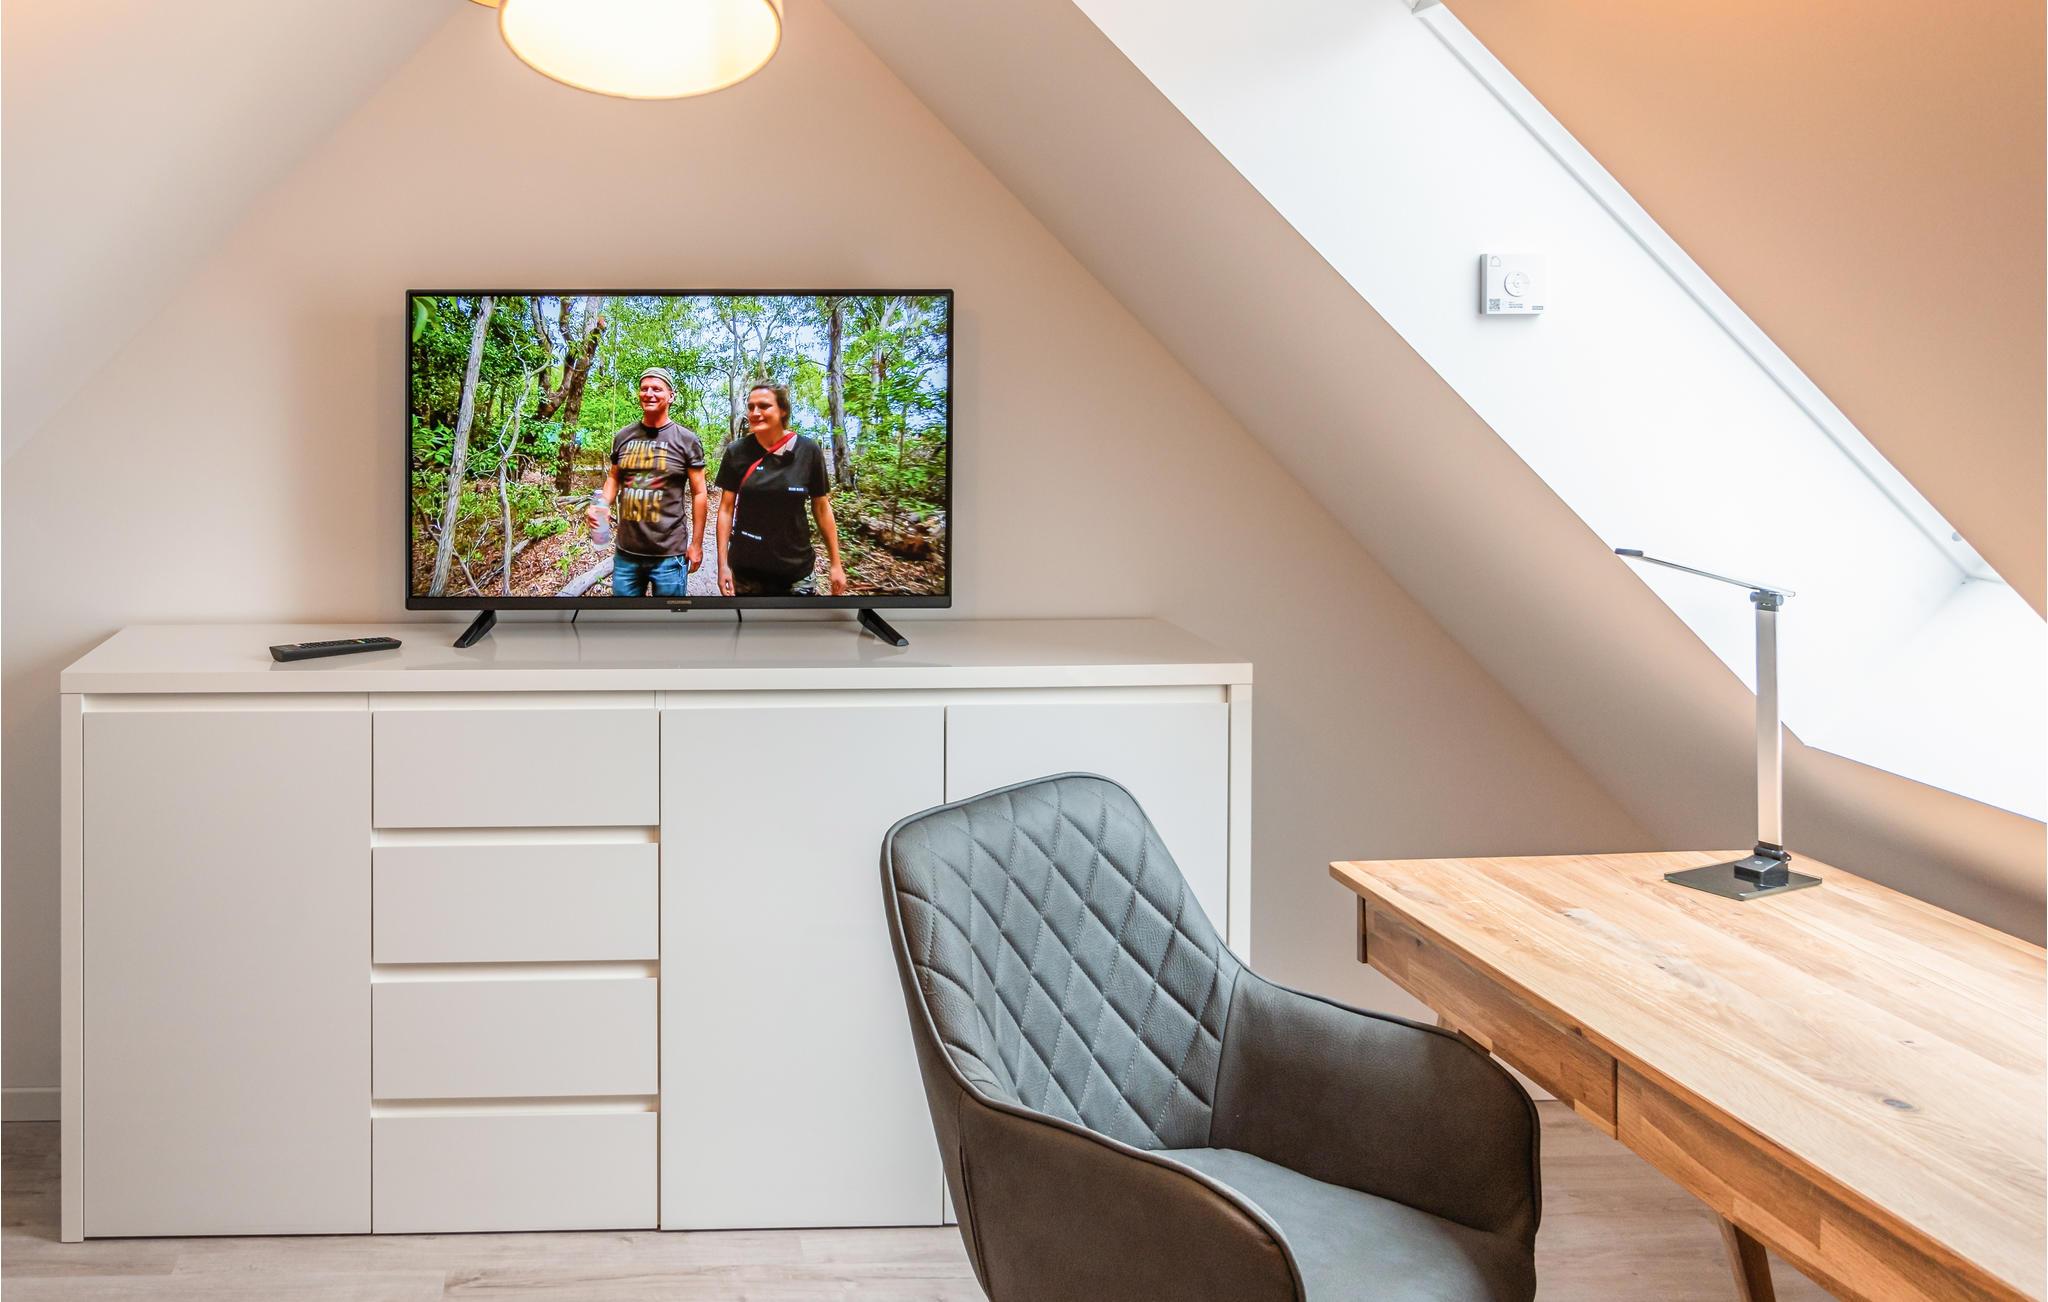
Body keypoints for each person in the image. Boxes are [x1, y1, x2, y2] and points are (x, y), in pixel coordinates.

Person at [716, 382, 848, 596]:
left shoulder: (808, 450)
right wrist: (723, 565)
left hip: (795, 571)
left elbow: (822, 508)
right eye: (751, 407)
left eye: (764, 406)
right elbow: (726, 509)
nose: (755, 413)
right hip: (747, 570)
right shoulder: (736, 452)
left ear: (783, 410)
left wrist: (836, 564)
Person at [589, 367, 708, 598]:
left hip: (669, 554)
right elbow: (614, 477)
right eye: (644, 389)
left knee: (669, 617)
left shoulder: (686, 440)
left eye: (657, 389)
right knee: (626, 616)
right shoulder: (624, 436)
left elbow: (699, 493)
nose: (649, 394)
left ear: (671, 396)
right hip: (627, 553)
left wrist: (696, 544)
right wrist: (602, 504)